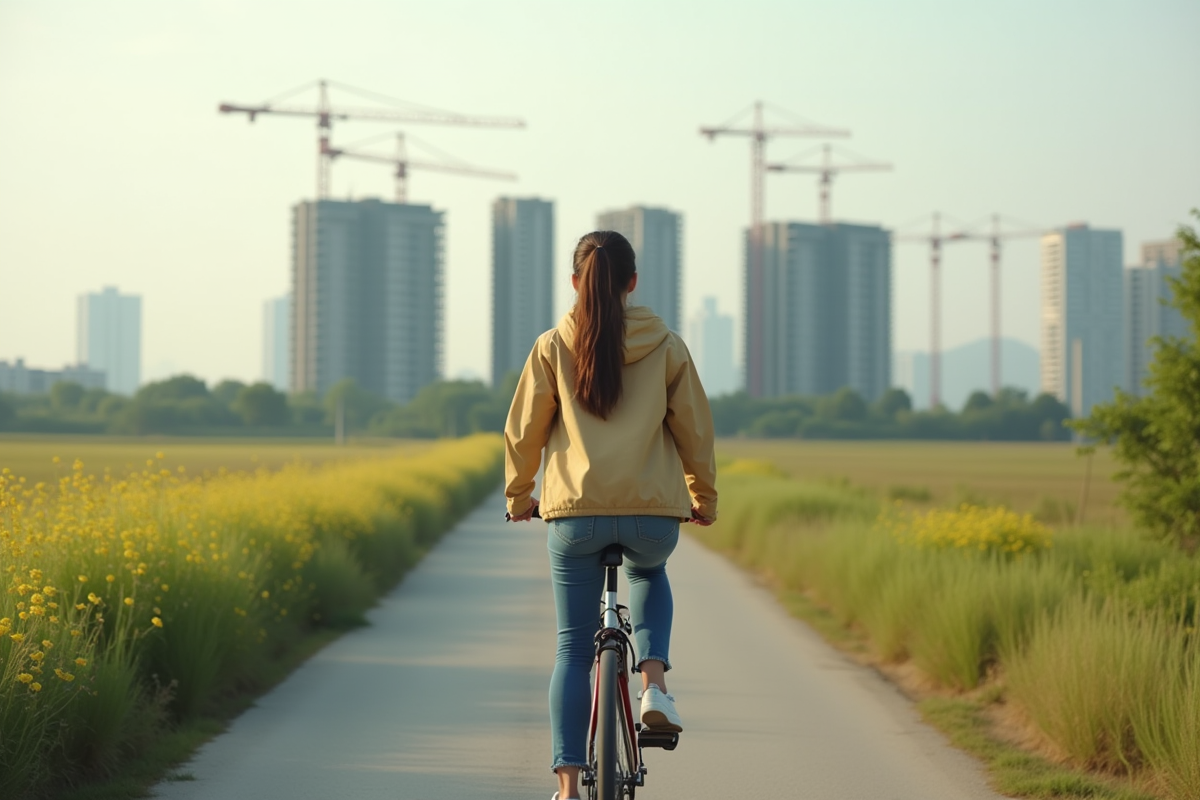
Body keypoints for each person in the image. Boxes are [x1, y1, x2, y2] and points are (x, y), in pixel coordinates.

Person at [504, 230, 718, 800]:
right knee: (648, 572)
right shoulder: (668, 345)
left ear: (575, 282)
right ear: (632, 283)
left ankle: (570, 787)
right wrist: (704, 499)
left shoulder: (552, 346)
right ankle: (653, 685)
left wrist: (518, 495)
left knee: (573, 648)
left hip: (574, 517)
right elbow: (695, 431)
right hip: (651, 516)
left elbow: (524, 432)